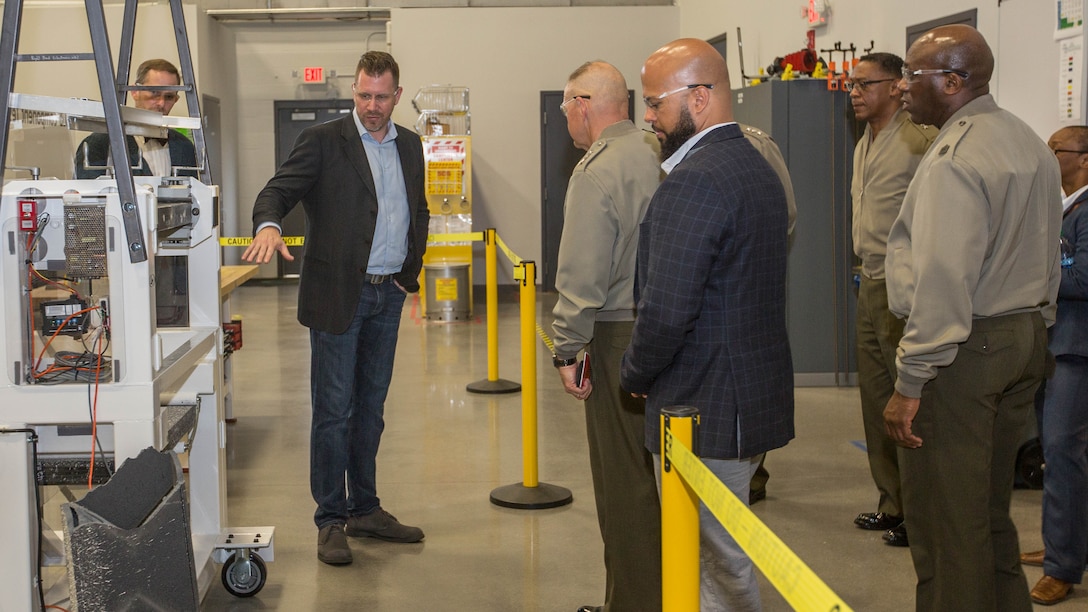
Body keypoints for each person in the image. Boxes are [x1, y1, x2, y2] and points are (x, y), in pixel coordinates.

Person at [883, 25, 1062, 610]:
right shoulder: (1028, 141)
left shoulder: (954, 159)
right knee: (987, 514)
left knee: (943, 523)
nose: (903, 88)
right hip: (1025, 337)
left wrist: (912, 382)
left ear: (954, 81)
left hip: (963, 352)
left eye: (915, 75)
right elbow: (1046, 251)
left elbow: (942, 282)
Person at [620, 38, 794, 611]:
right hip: (743, 391)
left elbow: (667, 310)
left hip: (705, 401)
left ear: (699, 97)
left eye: (653, 103)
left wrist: (637, 372)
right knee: (716, 549)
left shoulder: (696, 180)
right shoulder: (755, 164)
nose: (647, 117)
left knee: (718, 558)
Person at [242, 51, 429, 566]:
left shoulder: (410, 146)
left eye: (381, 96)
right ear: (354, 92)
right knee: (333, 412)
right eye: (363, 95)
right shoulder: (324, 141)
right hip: (337, 297)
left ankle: (365, 509)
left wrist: (410, 269)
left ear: (396, 94)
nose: (372, 106)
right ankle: (330, 520)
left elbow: (420, 208)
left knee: (370, 411)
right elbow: (276, 191)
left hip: (387, 294)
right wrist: (269, 224)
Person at [550, 60, 664, 612]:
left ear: (583, 104)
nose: (564, 117)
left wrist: (567, 349)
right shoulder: (655, 152)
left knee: (624, 484)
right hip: (669, 327)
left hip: (618, 335)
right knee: (659, 476)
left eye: (566, 105)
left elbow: (582, 275)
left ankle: (635, 601)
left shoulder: (596, 171)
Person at [846, 52, 936, 547]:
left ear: (898, 86)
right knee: (875, 397)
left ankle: (919, 512)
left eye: (865, 84)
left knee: (907, 399)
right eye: (852, 85)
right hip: (867, 279)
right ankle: (892, 504)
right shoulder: (865, 141)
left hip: (903, 286)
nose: (855, 93)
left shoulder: (920, 139)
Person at [1018, 125, 1088, 606]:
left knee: (1062, 453)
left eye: (1055, 150)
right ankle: (1065, 544)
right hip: (1053, 345)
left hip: (1075, 350)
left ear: (1082, 158)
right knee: (1055, 452)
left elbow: (1082, 276)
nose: (1047, 157)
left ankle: (1063, 567)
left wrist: (1032, 273)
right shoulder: (1061, 208)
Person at [74, 59, 198, 179]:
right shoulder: (99, 144)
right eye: (154, 93)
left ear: (176, 100)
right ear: (135, 92)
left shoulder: (184, 146)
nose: (161, 103)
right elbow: (88, 197)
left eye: (169, 96)